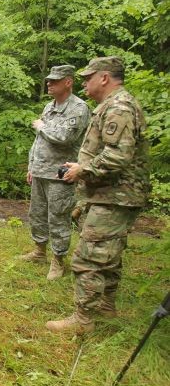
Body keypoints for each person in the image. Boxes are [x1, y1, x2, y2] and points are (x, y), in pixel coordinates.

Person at [46, 56, 150, 333]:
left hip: (115, 195)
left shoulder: (119, 106)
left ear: (104, 77)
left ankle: (83, 320)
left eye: (88, 77)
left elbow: (117, 156)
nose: (84, 82)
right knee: (109, 253)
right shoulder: (112, 105)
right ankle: (106, 306)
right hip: (110, 194)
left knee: (89, 256)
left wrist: (84, 169)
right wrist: (82, 168)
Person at [20, 65, 90, 280]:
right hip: (41, 170)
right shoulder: (49, 107)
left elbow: (64, 138)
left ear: (68, 82)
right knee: (37, 213)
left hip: (61, 173)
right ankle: (39, 251)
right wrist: (32, 165)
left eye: (54, 81)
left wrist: (41, 126)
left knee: (58, 217)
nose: (49, 84)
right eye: (48, 80)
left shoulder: (78, 108)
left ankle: (58, 260)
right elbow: (38, 141)